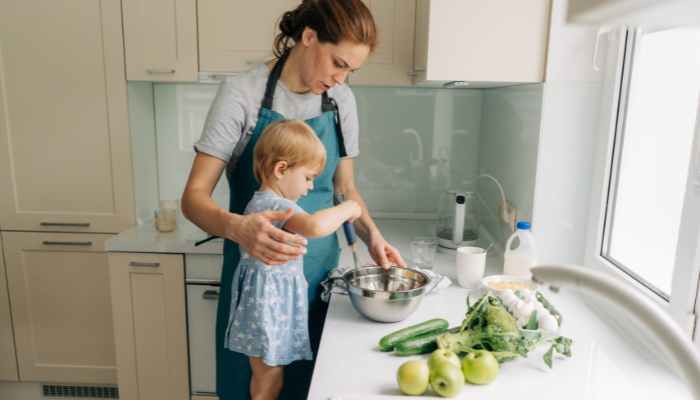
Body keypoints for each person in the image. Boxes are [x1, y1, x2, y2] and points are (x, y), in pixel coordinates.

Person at [181, 1, 407, 398]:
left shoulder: (341, 102)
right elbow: (193, 197)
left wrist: (372, 236)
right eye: (337, 64)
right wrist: (237, 227)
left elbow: (345, 189)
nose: (340, 79)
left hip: (319, 284)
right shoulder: (242, 94)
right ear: (308, 36)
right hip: (257, 288)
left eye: (350, 71)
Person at [226, 119, 361, 400]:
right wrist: (349, 205)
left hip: (268, 304)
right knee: (270, 380)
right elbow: (315, 226)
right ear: (281, 169)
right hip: (267, 307)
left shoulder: (261, 200)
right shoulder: (275, 205)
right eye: (309, 177)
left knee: (267, 377)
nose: (311, 187)